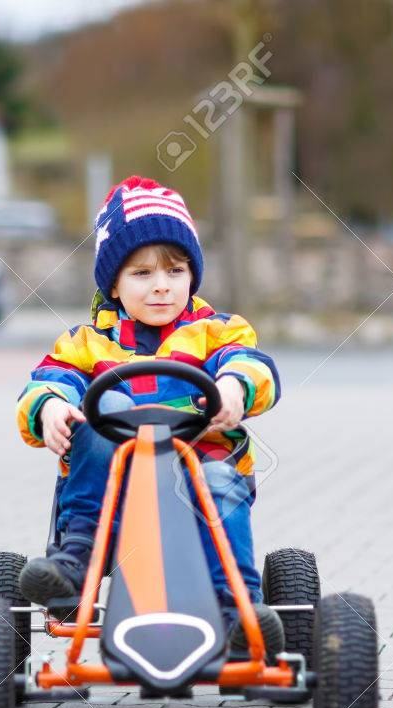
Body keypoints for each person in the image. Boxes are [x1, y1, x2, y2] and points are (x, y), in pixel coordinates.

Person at [15, 175, 282, 647]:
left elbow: (250, 363)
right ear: (113, 284)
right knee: (107, 404)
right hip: (114, 486)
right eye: (142, 274)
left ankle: (237, 607)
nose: (161, 288)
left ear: (192, 277)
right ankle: (75, 562)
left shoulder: (216, 333)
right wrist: (52, 406)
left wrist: (234, 387)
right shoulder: (87, 343)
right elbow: (48, 380)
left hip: (199, 468)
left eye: (175, 272)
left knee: (223, 484)